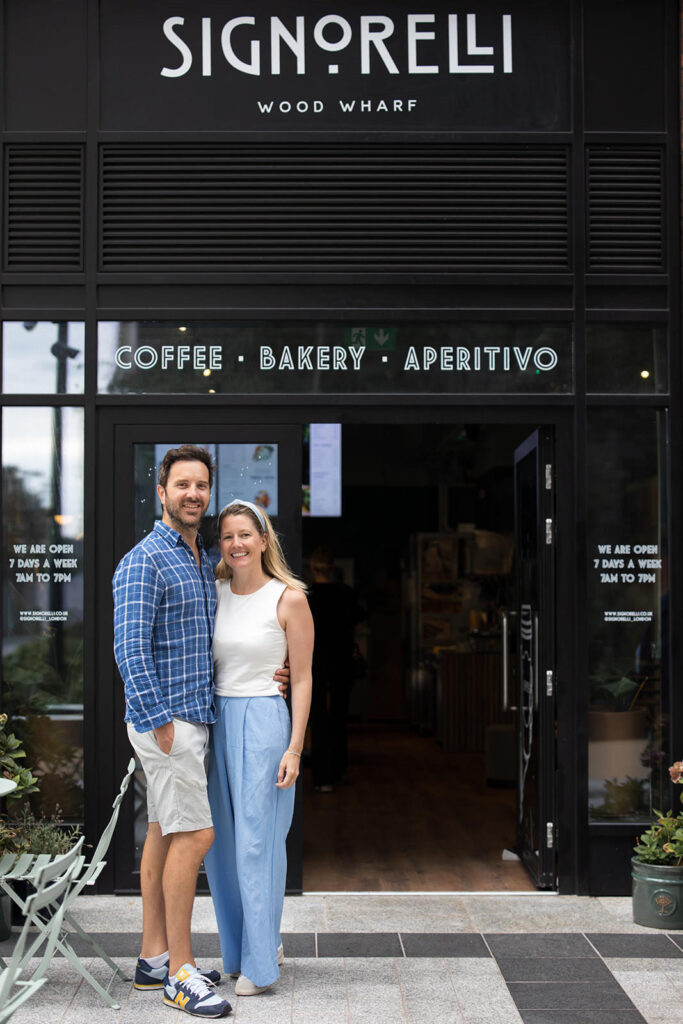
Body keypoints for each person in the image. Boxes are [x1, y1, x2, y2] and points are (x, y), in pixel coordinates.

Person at [113, 446, 287, 1019]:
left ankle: (153, 959)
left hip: (194, 717)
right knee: (198, 837)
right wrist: (158, 721)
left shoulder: (195, 557)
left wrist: (273, 669)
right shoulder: (146, 559)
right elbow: (129, 648)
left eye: (201, 485)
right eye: (181, 484)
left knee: (165, 833)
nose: (193, 493)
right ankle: (182, 976)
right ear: (160, 491)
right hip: (172, 723)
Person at [204, 500, 313, 997]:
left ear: (264, 540)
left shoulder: (289, 598)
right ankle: (243, 949)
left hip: (266, 721)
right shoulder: (215, 590)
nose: (237, 544)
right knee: (224, 848)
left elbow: (305, 677)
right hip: (218, 721)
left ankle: (260, 965)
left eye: (246, 534)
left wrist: (295, 748)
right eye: (228, 536)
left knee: (257, 845)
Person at [307, 547, 364, 791]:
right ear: (332, 568)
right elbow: (359, 622)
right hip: (342, 662)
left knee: (317, 718)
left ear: (312, 567)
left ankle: (322, 777)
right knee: (339, 716)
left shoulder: (305, 596)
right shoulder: (347, 594)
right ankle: (339, 767)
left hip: (314, 662)